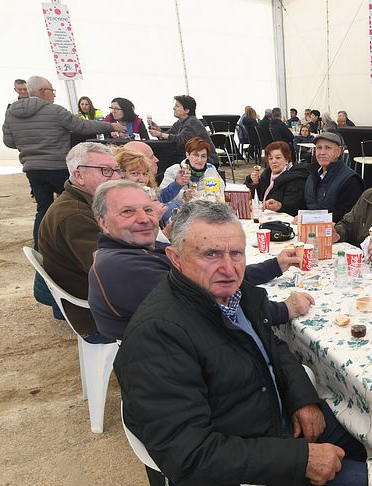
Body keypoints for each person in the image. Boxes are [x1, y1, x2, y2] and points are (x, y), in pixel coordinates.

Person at [114, 201, 372, 486]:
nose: (229, 268)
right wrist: (300, 458)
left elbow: (271, 344)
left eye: (236, 254)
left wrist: (301, 398)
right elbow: (189, 454)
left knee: (360, 431)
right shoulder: (159, 335)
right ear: (175, 258)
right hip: (225, 484)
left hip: (261, 425)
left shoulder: (231, 296)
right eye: (211, 254)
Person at [88, 181, 310, 340]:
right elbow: (213, 308)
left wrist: (274, 266)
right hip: (187, 357)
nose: (144, 219)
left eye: (148, 209)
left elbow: (212, 277)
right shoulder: (124, 268)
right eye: (128, 212)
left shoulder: (137, 249)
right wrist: (282, 310)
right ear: (104, 223)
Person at [3, 75, 123, 248]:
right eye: (52, 91)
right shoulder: (55, 110)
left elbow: (9, 142)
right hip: (57, 166)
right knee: (76, 205)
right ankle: (82, 243)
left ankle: (41, 246)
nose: (54, 95)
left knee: (43, 208)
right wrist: (110, 126)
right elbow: (82, 126)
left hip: (32, 168)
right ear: (43, 92)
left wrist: (29, 144)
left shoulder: (11, 113)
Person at [37, 142, 121, 342]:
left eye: (117, 170)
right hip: (97, 317)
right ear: (79, 175)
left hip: (99, 302)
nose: (117, 177)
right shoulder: (74, 215)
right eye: (106, 171)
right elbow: (110, 272)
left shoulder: (85, 203)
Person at [303, 132, 365, 222]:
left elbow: (346, 216)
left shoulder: (350, 180)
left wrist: (311, 219)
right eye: (319, 148)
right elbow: (304, 205)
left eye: (328, 148)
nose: (322, 152)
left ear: (338, 152)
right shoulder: (312, 176)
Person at [159, 137, 225, 220]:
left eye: (203, 156)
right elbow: (162, 196)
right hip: (180, 216)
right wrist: (184, 194)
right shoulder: (173, 170)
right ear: (187, 155)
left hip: (207, 213)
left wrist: (196, 195)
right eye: (195, 155)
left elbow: (218, 192)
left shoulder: (211, 169)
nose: (199, 160)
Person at [148, 95, 219, 165]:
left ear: (187, 110)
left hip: (206, 160)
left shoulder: (193, 122)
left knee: (168, 158)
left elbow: (181, 140)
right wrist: (158, 130)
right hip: (190, 156)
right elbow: (169, 137)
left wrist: (160, 134)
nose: (174, 108)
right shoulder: (179, 123)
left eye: (177, 106)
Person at [245, 141, 309, 215]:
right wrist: (255, 183)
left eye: (278, 158)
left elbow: (294, 208)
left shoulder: (296, 179)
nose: (274, 161)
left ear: (287, 159)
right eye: (270, 158)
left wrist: (280, 206)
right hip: (264, 215)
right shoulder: (267, 174)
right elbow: (257, 198)